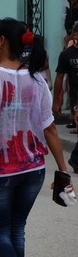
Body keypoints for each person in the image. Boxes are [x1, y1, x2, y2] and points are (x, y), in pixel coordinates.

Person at [0, 18, 71, 257]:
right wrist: (62, 169)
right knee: (17, 229)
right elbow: (50, 128)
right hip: (33, 170)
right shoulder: (37, 80)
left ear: (2, 41)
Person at [54, 21, 78, 168]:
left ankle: (75, 158)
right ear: (74, 35)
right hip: (75, 97)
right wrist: (56, 101)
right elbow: (59, 77)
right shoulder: (66, 55)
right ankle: (75, 159)